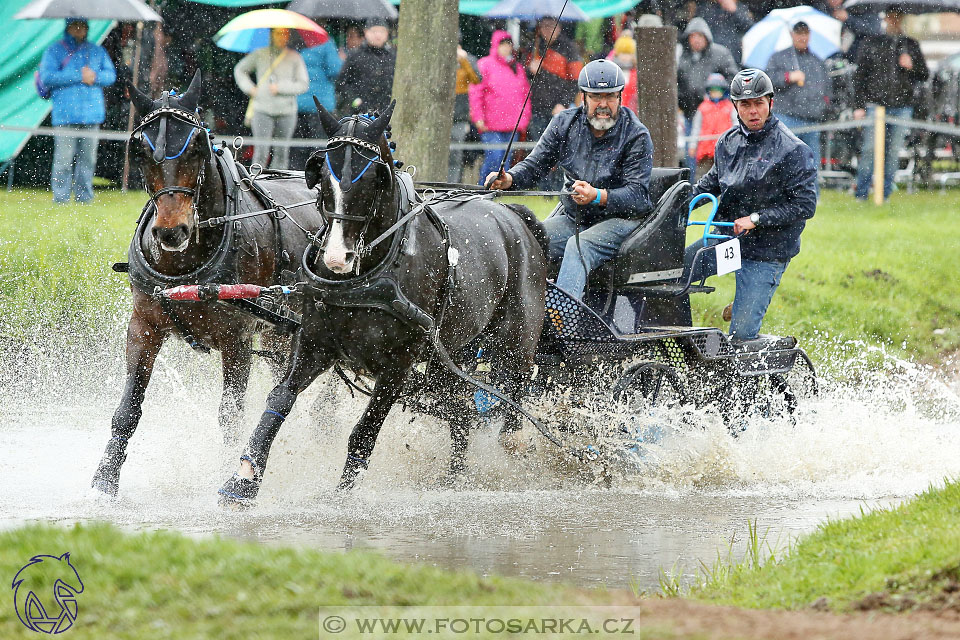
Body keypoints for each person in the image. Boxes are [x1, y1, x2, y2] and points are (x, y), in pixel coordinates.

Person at [484, 59, 654, 303]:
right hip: (575, 218)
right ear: (583, 96)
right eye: (596, 97)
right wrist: (509, 178)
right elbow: (535, 164)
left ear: (620, 97)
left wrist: (597, 195)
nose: (603, 105)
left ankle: (563, 324)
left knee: (578, 246)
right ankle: (517, 316)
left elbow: (638, 197)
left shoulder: (637, 134)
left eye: (610, 97)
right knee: (525, 240)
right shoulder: (564, 123)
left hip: (621, 221)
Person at [684, 69, 818, 342]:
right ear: (735, 106)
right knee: (671, 273)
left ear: (771, 102)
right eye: (745, 104)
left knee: (742, 339)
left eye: (759, 103)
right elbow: (708, 185)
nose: (753, 111)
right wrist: (675, 206)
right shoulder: (727, 142)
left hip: (767, 250)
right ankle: (689, 342)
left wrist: (756, 218)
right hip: (727, 241)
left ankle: (774, 343)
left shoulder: (793, 150)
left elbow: (805, 206)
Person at [852, 7, 928, 201]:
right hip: (875, 105)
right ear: (885, 18)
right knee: (870, 151)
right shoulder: (871, 42)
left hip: (902, 106)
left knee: (893, 153)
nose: (894, 21)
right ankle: (861, 193)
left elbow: (924, 74)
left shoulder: (910, 44)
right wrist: (859, 105)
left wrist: (912, 65)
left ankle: (885, 193)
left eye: (898, 17)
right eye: (891, 17)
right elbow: (859, 77)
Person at [39, 18, 116, 204]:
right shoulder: (55, 50)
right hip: (65, 114)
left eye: (84, 26)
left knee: (88, 160)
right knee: (63, 160)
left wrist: (94, 77)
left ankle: (84, 198)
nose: (81, 30)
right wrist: (78, 76)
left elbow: (111, 76)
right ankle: (61, 198)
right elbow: (47, 77)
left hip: (92, 114)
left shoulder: (96, 50)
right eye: (77, 26)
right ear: (69, 27)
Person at [234, 28, 309, 170]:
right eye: (278, 33)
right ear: (271, 35)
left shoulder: (294, 57)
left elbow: (303, 84)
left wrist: (280, 87)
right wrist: (249, 88)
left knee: (282, 152)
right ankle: (255, 184)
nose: (282, 37)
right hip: (262, 109)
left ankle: (279, 184)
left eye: (285, 34)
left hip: (286, 111)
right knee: (261, 152)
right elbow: (239, 70)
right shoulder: (260, 54)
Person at [677, 18, 739, 171]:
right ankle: (692, 191)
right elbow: (677, 85)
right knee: (692, 156)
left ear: (706, 37)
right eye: (693, 36)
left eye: (700, 36)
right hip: (692, 114)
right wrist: (684, 104)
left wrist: (719, 96)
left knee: (722, 155)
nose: (696, 40)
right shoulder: (683, 58)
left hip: (719, 116)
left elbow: (734, 80)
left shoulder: (720, 54)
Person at [469, 31, 531, 185]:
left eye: (508, 44)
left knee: (505, 162)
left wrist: (524, 119)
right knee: (494, 158)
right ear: (495, 46)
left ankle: (497, 190)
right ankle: (483, 189)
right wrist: (478, 117)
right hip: (491, 125)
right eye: (502, 44)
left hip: (512, 125)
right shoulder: (484, 65)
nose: (506, 48)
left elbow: (525, 95)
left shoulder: (516, 67)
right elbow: (476, 92)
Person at [765, 21, 831, 157]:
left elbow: (827, 88)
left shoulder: (817, 61)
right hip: (787, 117)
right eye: (799, 33)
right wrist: (787, 77)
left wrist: (823, 105)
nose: (803, 37)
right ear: (792, 35)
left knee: (811, 164)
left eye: (805, 33)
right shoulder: (778, 57)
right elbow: (768, 80)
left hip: (812, 120)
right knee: (785, 161)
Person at [292, 34, 343, 170]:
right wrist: (342, 60)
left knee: (296, 148)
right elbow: (336, 70)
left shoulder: (293, 42)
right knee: (319, 147)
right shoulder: (326, 42)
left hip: (296, 102)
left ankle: (294, 177)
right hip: (320, 104)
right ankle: (316, 178)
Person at [336, 17, 396, 114]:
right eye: (374, 31)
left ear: (387, 33)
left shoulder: (393, 56)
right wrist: (354, 100)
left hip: (386, 111)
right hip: (360, 112)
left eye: (382, 31)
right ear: (366, 32)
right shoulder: (355, 55)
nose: (378, 35)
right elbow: (342, 83)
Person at [689, 73, 737, 180]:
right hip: (705, 151)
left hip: (724, 150)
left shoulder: (729, 107)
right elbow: (696, 128)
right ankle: (701, 196)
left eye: (718, 90)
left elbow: (736, 126)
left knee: (724, 176)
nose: (715, 93)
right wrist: (693, 145)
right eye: (713, 90)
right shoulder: (703, 108)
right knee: (701, 176)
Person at [450, 34, 481, 183]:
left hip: (459, 115)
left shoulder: (466, 60)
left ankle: (453, 184)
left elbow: (476, 78)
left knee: (456, 155)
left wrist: (464, 60)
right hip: (441, 116)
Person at [611, 36, 639, 114]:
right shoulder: (612, 71)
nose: (625, 57)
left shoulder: (635, 73)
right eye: (622, 53)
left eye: (628, 53)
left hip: (632, 113)